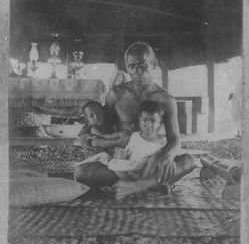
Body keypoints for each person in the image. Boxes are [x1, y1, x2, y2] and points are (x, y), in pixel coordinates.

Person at [74, 41, 197, 199]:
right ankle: (152, 184)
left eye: (143, 65)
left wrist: (167, 156)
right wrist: (84, 133)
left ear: (154, 64)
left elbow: (175, 139)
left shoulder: (166, 99)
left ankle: (137, 186)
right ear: (126, 67)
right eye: (132, 66)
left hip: (152, 163)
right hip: (123, 165)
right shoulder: (116, 94)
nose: (137, 71)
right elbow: (99, 121)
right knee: (81, 172)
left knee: (190, 160)